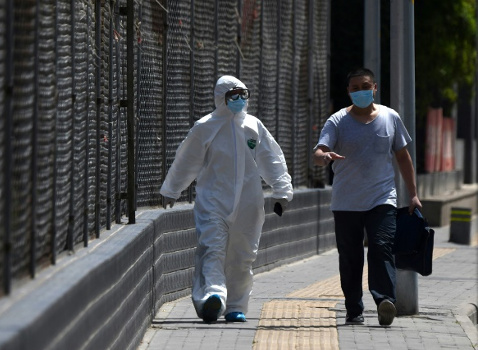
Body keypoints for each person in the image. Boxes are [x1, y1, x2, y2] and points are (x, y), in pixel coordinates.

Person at [160, 75, 293, 323]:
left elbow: (271, 159)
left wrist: (282, 191)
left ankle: (235, 305)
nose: (240, 100)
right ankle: (213, 297)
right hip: (213, 202)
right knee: (212, 249)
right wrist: (172, 189)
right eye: (234, 96)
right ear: (221, 98)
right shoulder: (205, 127)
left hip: (248, 203)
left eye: (244, 95)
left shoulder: (253, 126)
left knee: (243, 256)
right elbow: (187, 160)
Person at [313, 67, 422, 327]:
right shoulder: (337, 121)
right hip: (346, 202)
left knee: (381, 247)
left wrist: (414, 194)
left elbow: (403, 157)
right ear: (348, 92)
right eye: (355, 88)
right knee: (350, 257)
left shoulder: (390, 117)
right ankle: (353, 309)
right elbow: (319, 151)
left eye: (365, 86)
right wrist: (325, 157)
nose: (360, 91)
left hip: (382, 198)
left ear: (374, 88)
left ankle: (385, 301)